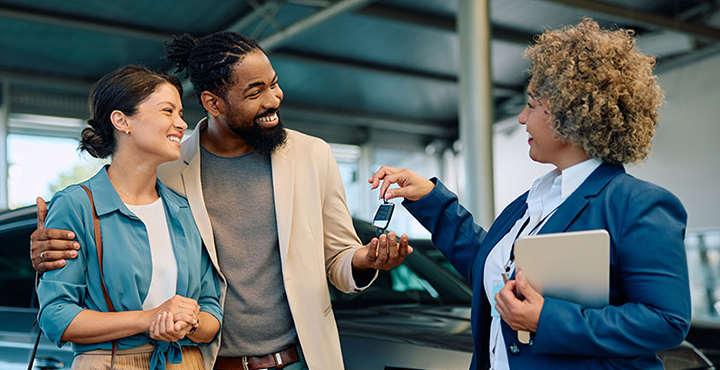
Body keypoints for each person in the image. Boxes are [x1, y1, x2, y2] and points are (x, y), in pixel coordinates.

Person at [31, 32, 411, 370]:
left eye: (274, 85)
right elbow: (116, 208)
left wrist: (363, 261)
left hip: (298, 358)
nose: (274, 99)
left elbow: (338, 259)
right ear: (213, 103)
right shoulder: (169, 166)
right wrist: (48, 245)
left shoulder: (313, 156)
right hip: (208, 361)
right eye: (254, 92)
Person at [368, 18, 690, 370]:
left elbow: (666, 321)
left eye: (532, 104)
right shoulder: (534, 200)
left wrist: (546, 319)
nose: (522, 118)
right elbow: (490, 267)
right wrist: (427, 197)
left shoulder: (637, 205)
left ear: (571, 115)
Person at [36, 65, 223, 369]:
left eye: (180, 113)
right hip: (110, 362)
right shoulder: (77, 205)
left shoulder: (184, 211)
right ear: (122, 121)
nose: (181, 124)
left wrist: (187, 322)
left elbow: (212, 312)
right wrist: (148, 319)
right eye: (168, 111)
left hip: (185, 362)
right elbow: (57, 316)